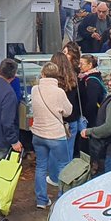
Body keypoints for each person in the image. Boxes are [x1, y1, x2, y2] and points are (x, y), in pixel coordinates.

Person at [30, 62, 73, 209]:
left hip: (38, 133)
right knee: (63, 165)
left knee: (41, 166)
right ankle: (62, 197)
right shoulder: (59, 92)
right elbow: (68, 111)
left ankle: (41, 200)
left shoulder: (35, 89)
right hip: (55, 134)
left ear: (42, 74)